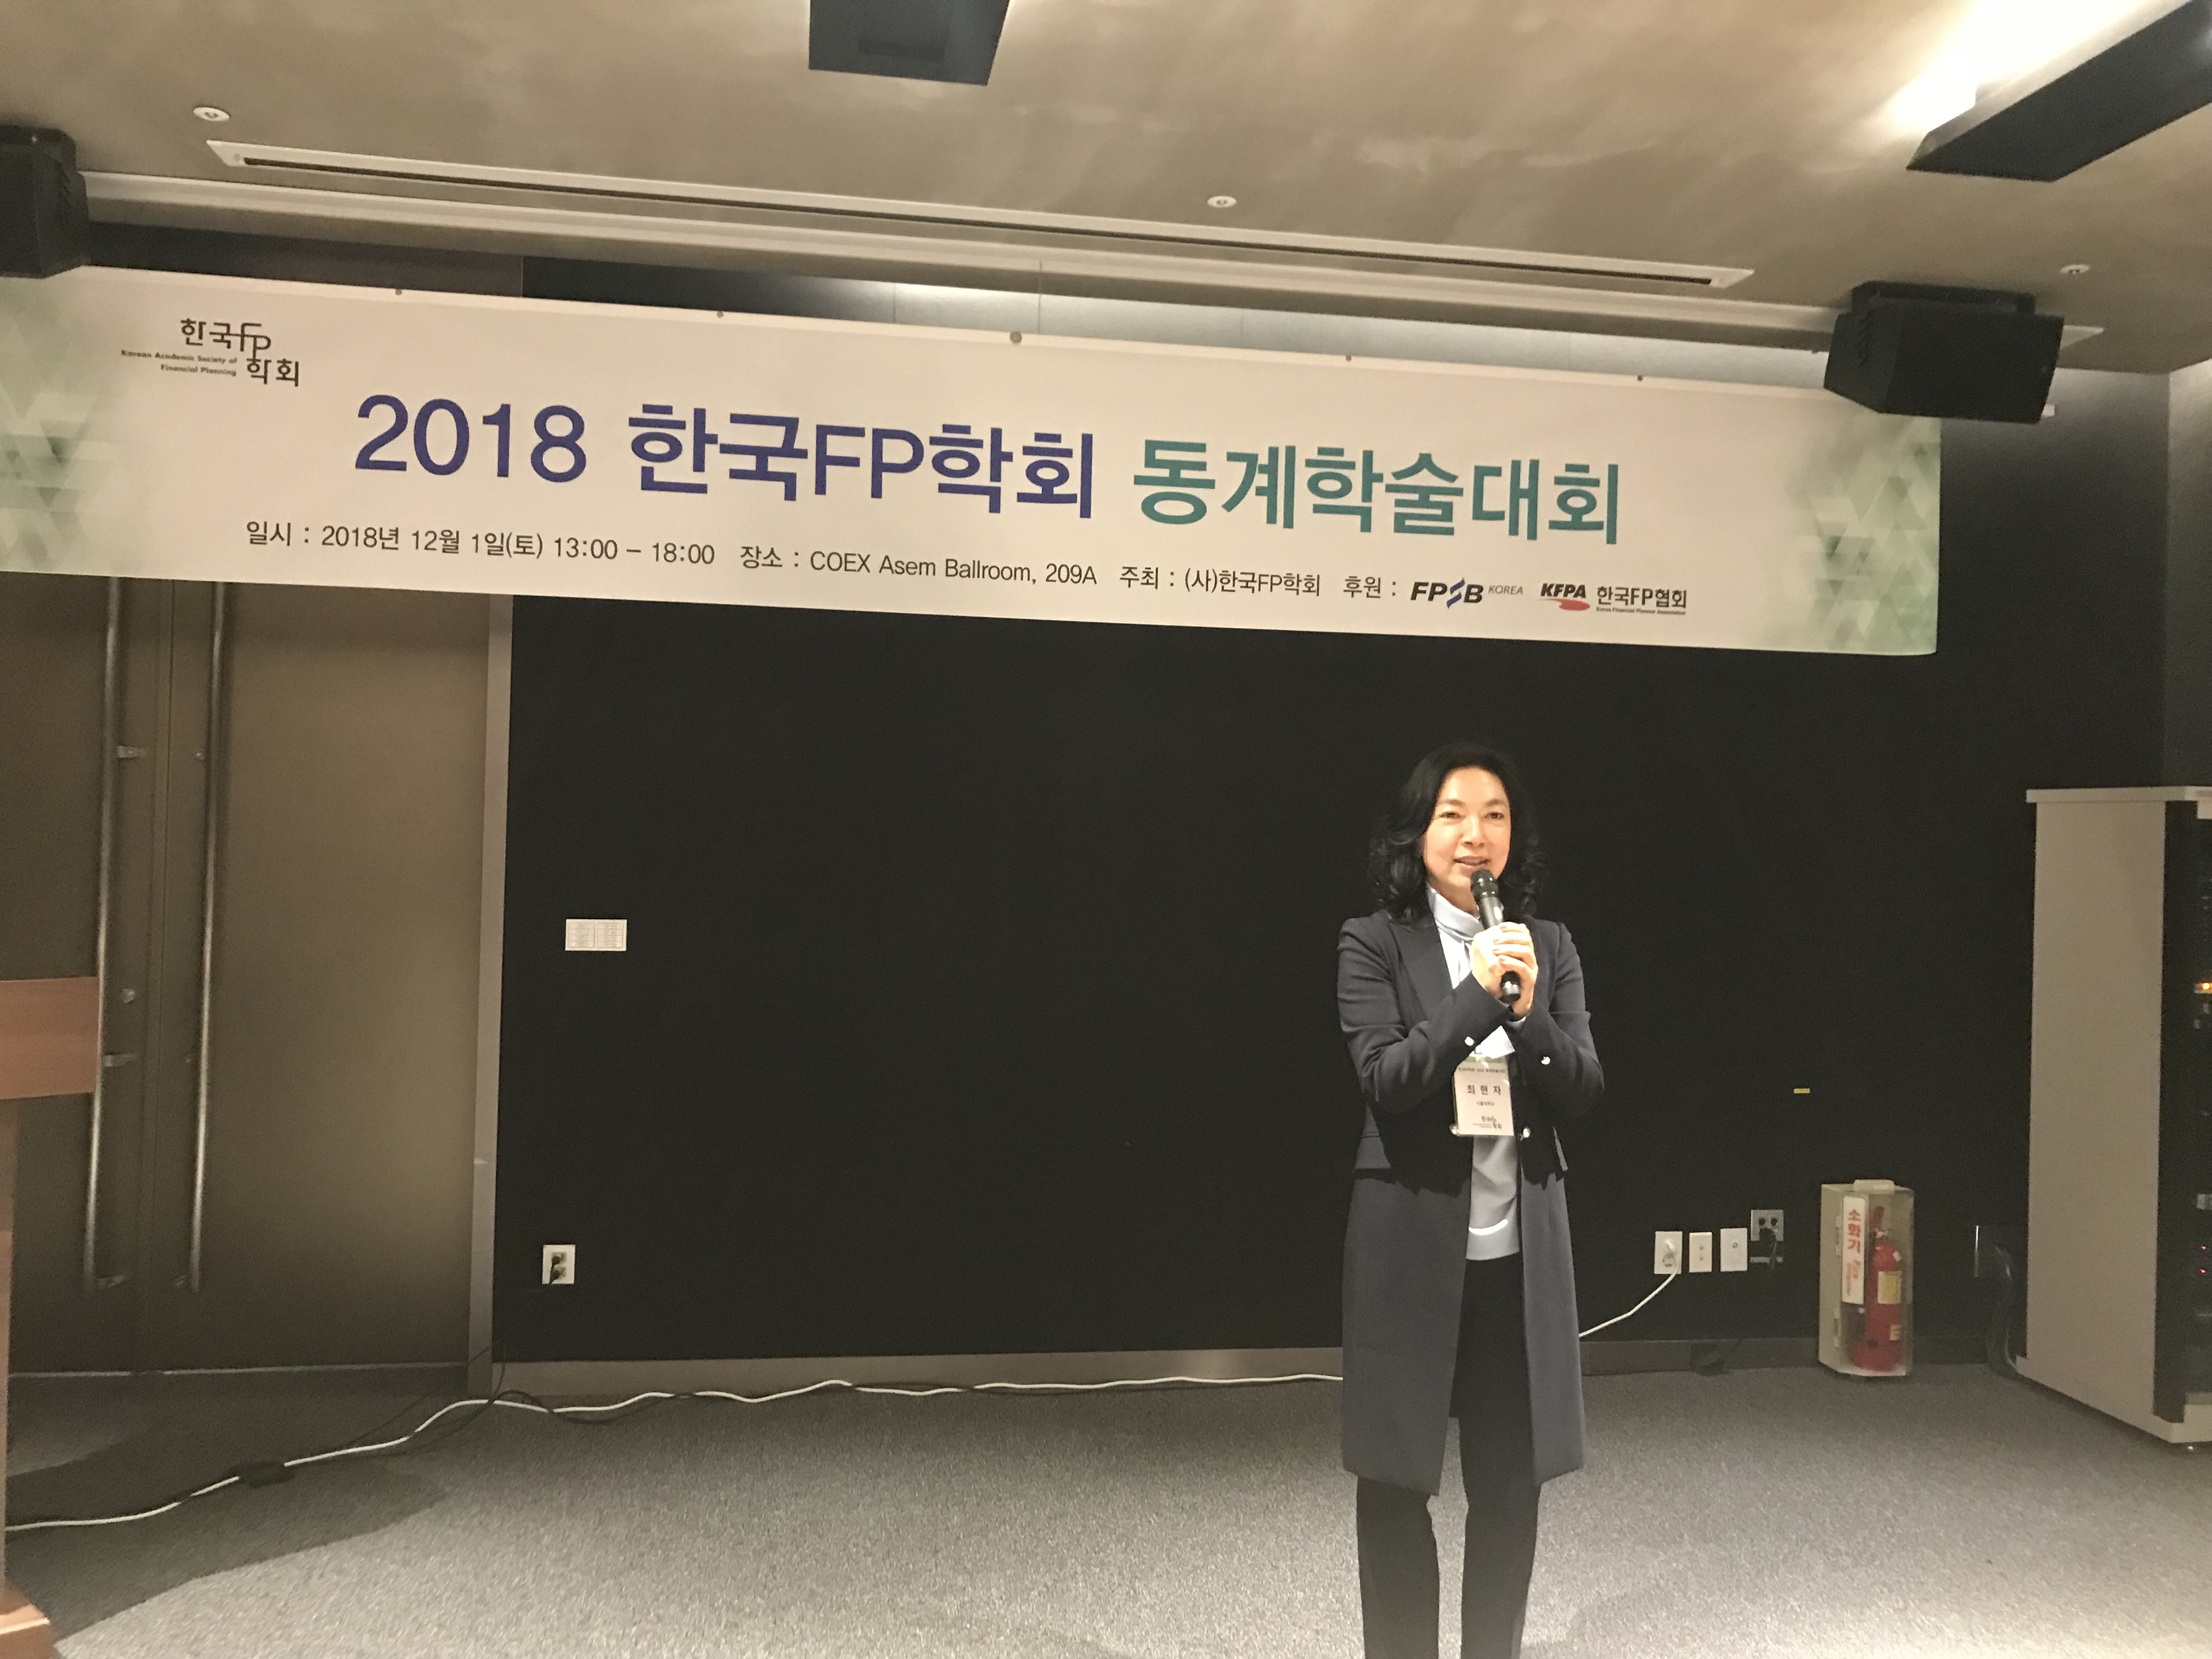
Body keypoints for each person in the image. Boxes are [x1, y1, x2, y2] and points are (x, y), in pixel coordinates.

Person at [1336, 740, 1604, 1659]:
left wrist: (1525, 1012)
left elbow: (1582, 1087)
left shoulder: (1549, 947)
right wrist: (1478, 998)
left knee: (1509, 1491)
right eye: (1452, 815)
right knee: (1393, 1486)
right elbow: (1389, 1079)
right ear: (1418, 835)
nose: (1474, 834)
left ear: (1513, 837)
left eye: (1494, 815)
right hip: (1408, 1253)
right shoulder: (1373, 942)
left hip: (1515, 1265)